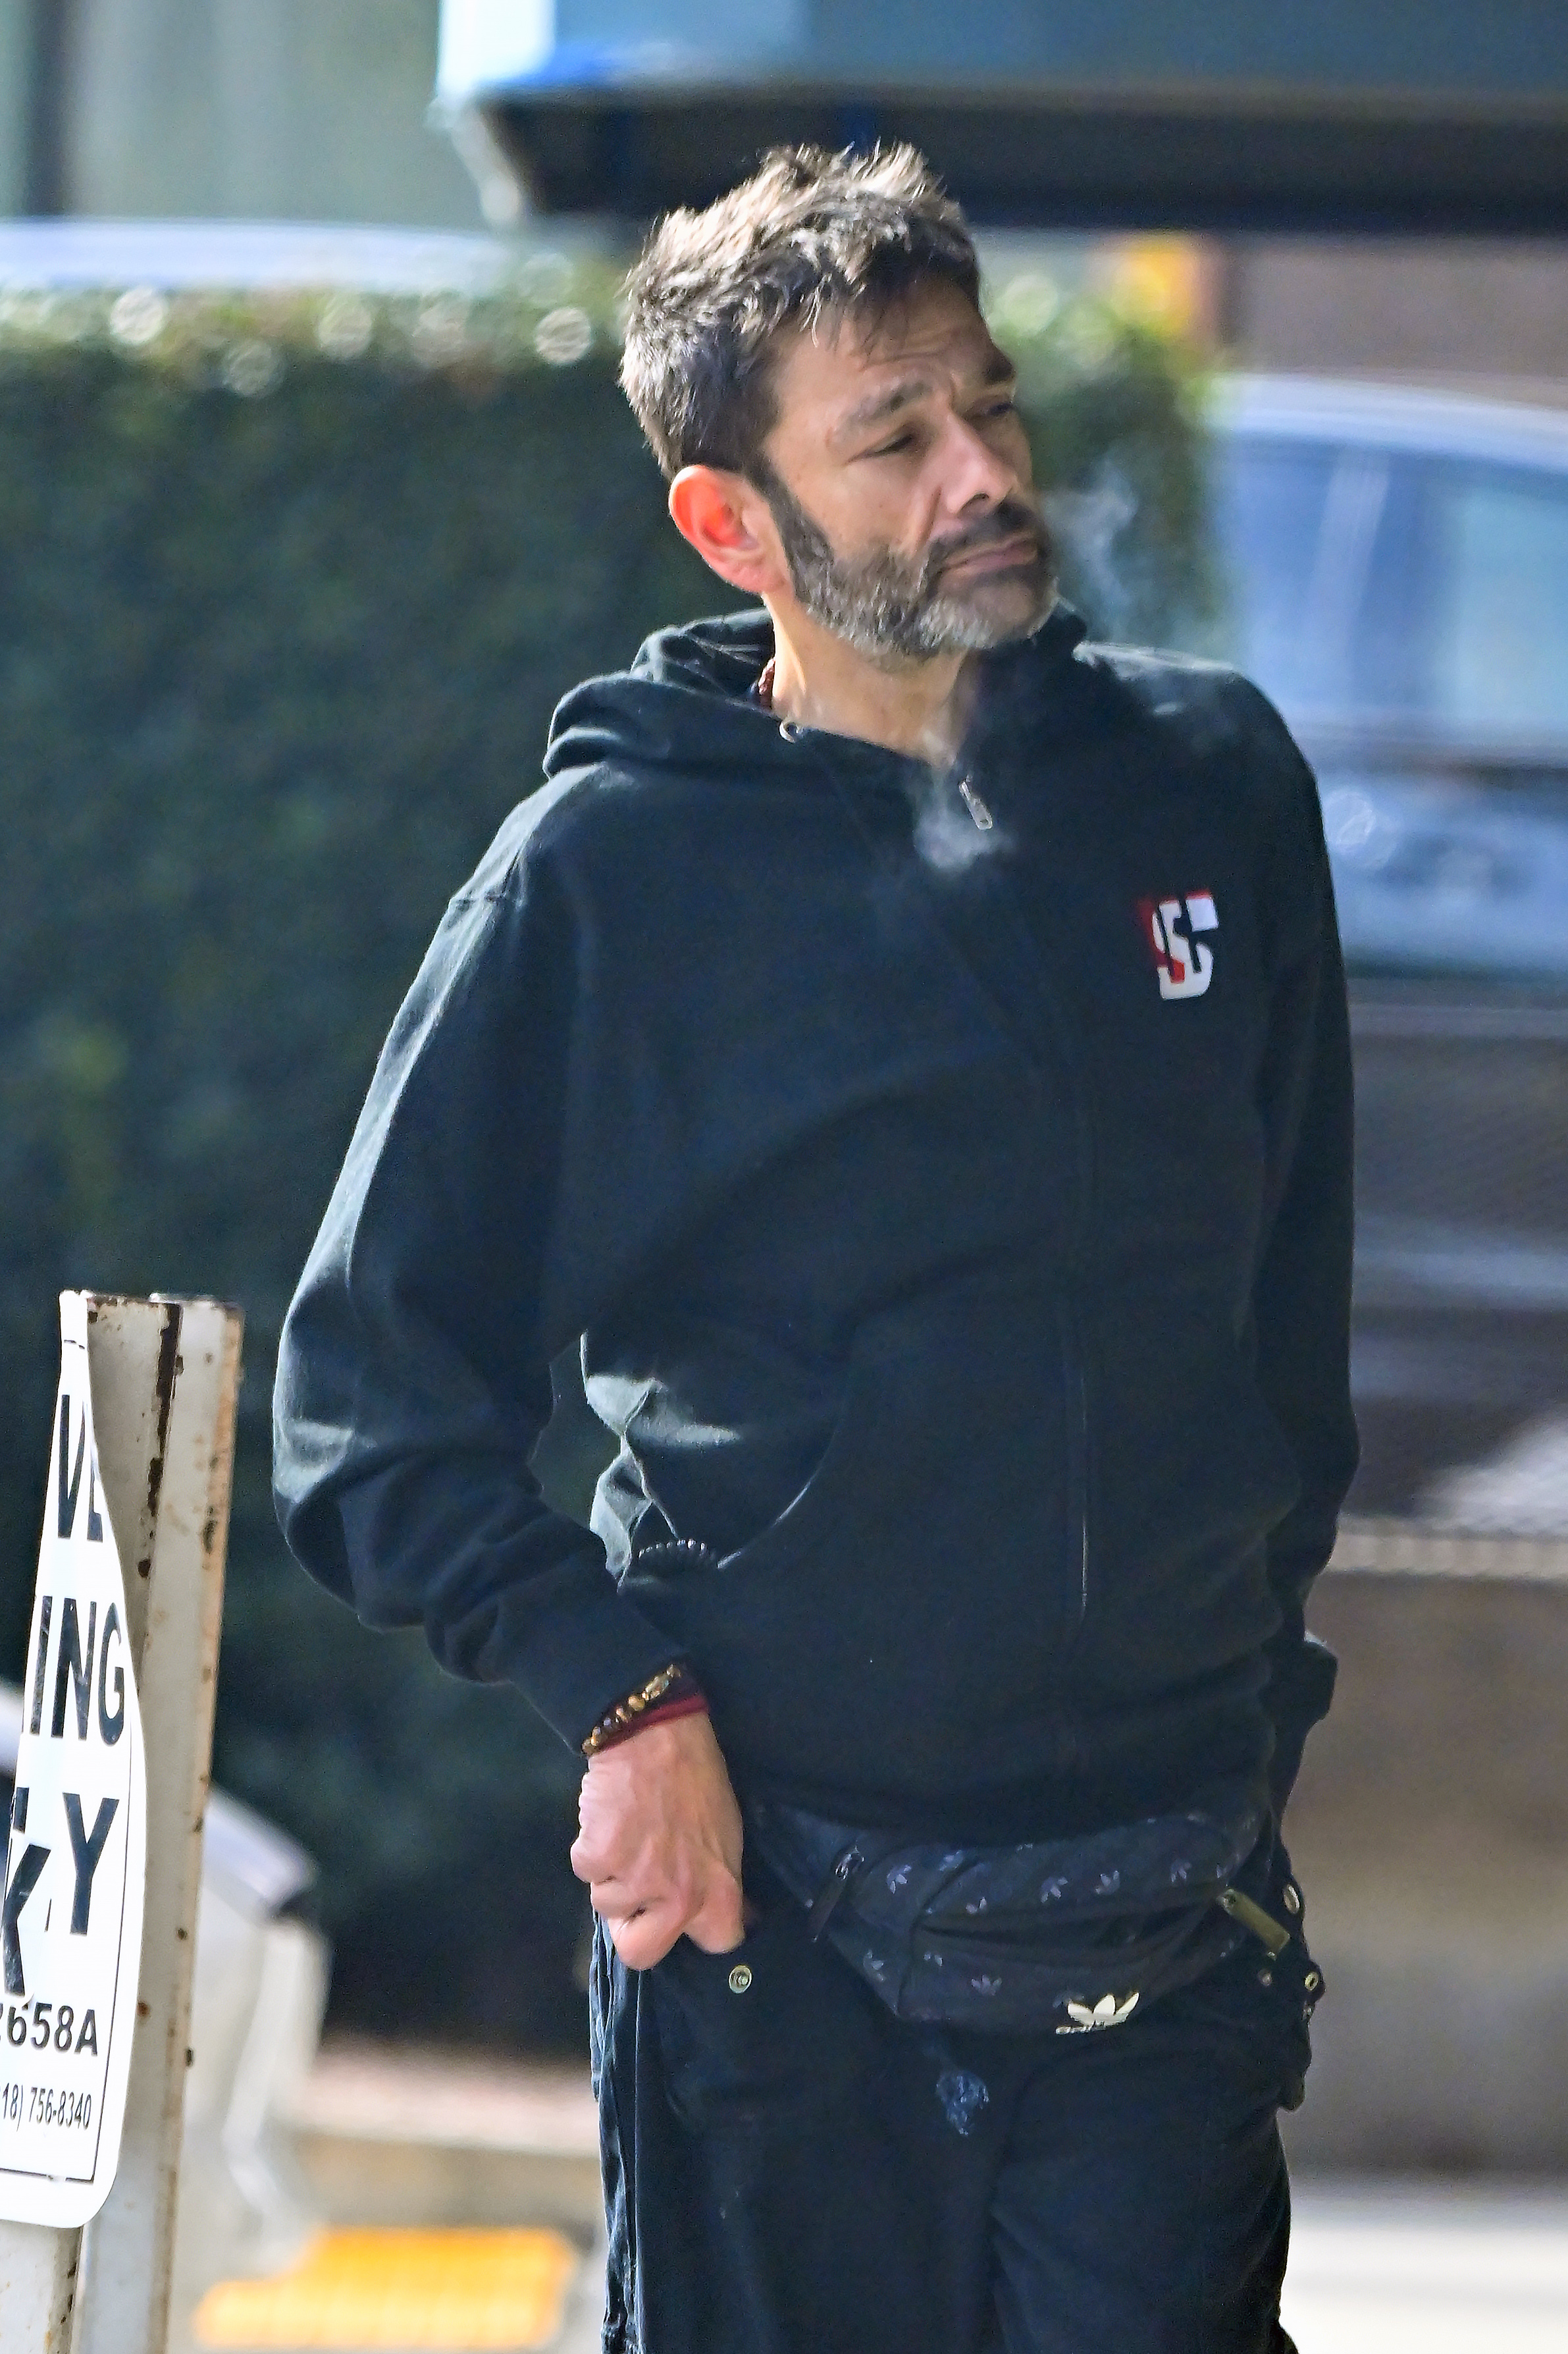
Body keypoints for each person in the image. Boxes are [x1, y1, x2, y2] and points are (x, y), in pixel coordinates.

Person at [273, 144, 1356, 2354]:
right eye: (895, 437)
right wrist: (622, 1697)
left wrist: (1260, 1702)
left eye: (990, 404)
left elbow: (1290, 1329)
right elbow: (368, 1411)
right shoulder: (607, 879)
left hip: (1165, 1933)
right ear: (731, 523)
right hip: (773, 1946)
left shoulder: (1213, 790)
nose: (979, 470)